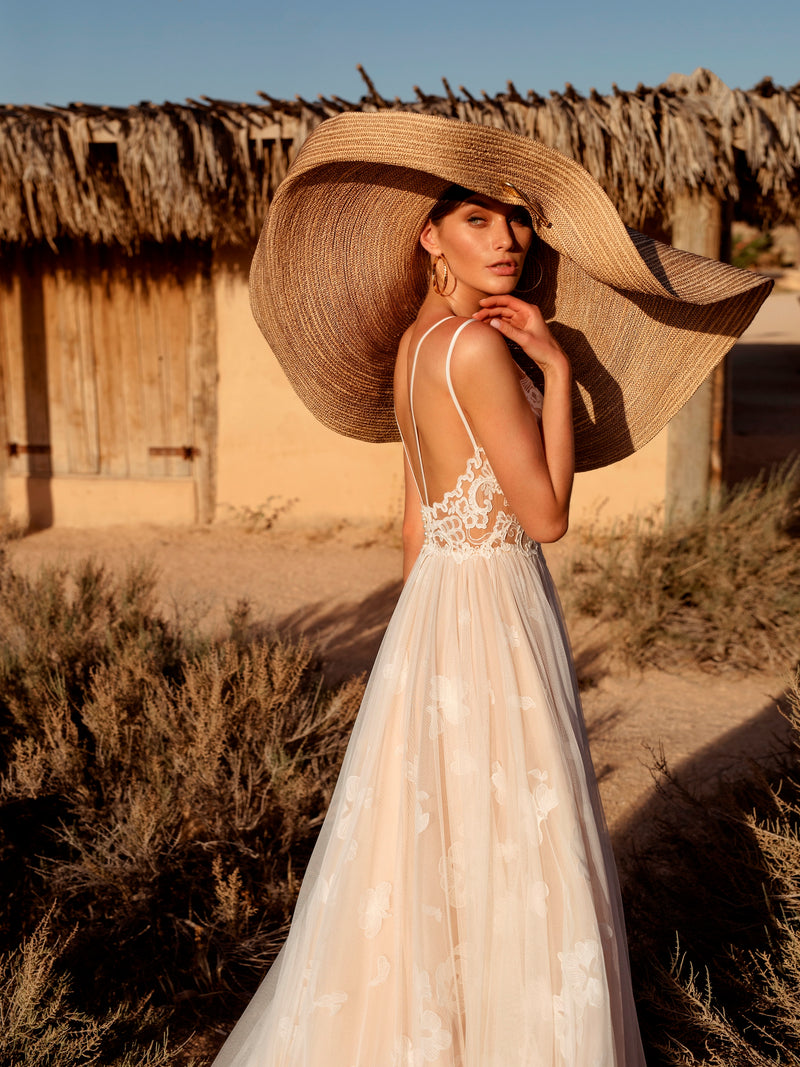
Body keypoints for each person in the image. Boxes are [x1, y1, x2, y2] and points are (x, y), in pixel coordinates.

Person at [212, 112, 771, 1067]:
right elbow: (546, 517)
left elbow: (417, 519)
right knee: (517, 845)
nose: (506, 239)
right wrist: (552, 367)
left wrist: (414, 651)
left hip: (437, 612)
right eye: (477, 219)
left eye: (516, 221)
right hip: (498, 609)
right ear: (430, 236)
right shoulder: (477, 350)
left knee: (433, 848)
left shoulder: (412, 346)